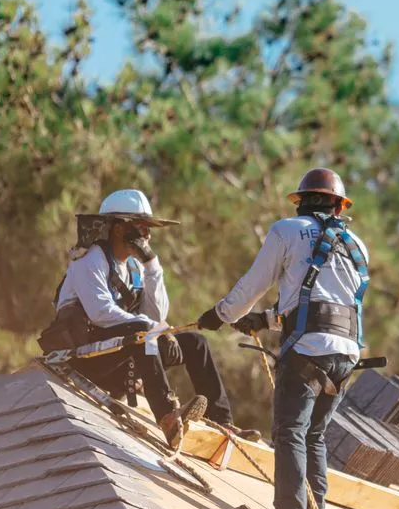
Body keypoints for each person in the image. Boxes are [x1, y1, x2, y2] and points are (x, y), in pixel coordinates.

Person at [198, 168, 370, 509]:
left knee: (290, 430)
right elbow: (325, 301)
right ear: (339, 207)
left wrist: (221, 314)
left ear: (301, 201)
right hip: (347, 353)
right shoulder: (356, 245)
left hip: (309, 349)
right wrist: (265, 320)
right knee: (314, 435)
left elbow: (253, 285)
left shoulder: (287, 231)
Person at [40, 189, 260, 447]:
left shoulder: (135, 267)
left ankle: (223, 423)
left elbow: (155, 315)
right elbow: (101, 313)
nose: (148, 235)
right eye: (142, 227)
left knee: (195, 343)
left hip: (124, 353)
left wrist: (152, 265)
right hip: (86, 359)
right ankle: (167, 417)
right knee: (145, 332)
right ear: (119, 229)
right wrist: (153, 329)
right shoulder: (89, 259)